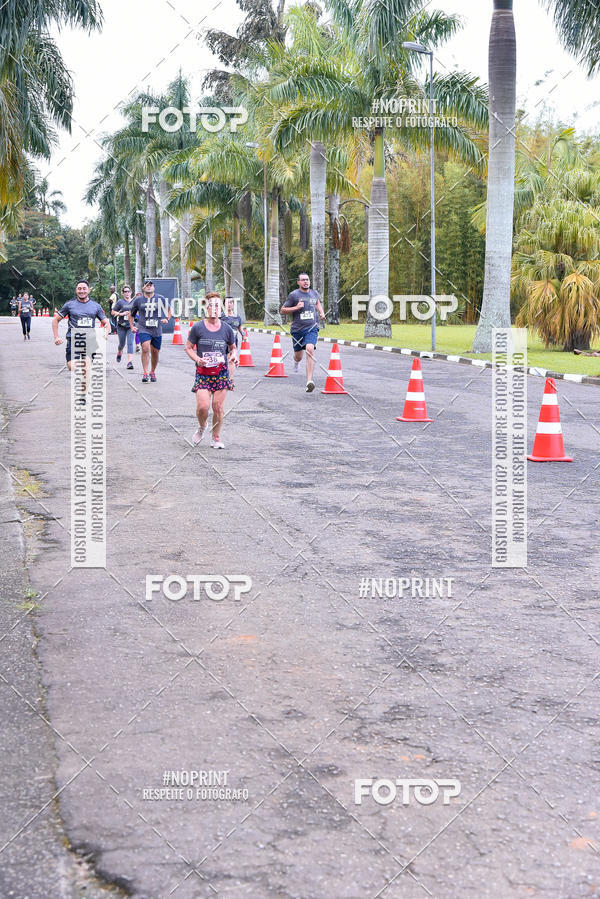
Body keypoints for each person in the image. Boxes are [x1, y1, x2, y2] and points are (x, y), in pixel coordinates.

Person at [186, 292, 236, 449]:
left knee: (218, 407)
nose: (214, 309)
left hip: (221, 373)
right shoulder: (198, 328)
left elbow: (233, 348)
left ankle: (216, 437)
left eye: (217, 305)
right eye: (211, 305)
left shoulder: (227, 329)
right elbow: (188, 348)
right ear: (206, 308)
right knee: (203, 407)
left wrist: (234, 356)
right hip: (203, 373)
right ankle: (202, 427)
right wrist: (197, 359)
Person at [52, 279, 110, 398]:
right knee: (71, 366)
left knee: (86, 367)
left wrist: (106, 332)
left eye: (84, 288)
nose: (82, 291)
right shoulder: (69, 305)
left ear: (88, 290)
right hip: (74, 340)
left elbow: (106, 322)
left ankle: (83, 395)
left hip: (90, 341)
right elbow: (55, 320)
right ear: (76, 290)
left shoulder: (96, 306)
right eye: (79, 289)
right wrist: (56, 337)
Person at [281, 273, 325, 393]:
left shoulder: (314, 293)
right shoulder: (294, 295)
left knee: (310, 349)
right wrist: (296, 307)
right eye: (303, 280)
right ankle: (296, 362)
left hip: (311, 328)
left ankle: (309, 381)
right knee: (298, 356)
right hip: (297, 330)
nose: (306, 282)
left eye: (307, 279)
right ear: (298, 282)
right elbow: (283, 310)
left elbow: (317, 302)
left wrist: (321, 313)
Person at [129, 279, 172, 382]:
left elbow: (169, 310)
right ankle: (145, 372)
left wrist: (167, 319)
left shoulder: (160, 298)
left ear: (154, 288)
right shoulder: (138, 300)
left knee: (155, 352)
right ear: (143, 288)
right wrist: (132, 327)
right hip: (143, 328)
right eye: (147, 285)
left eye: (151, 285)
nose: (149, 286)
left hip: (156, 329)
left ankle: (152, 371)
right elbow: (131, 315)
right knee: (145, 348)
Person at [219, 297, 244, 386]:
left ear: (233, 305)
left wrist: (243, 335)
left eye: (231, 303)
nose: (229, 304)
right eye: (227, 303)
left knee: (231, 360)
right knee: (220, 360)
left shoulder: (237, 317)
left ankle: (230, 380)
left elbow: (239, 327)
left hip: (232, 342)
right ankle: (220, 379)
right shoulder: (220, 316)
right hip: (221, 342)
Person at [112, 285, 135, 368]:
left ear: (131, 292)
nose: (127, 293)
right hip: (121, 325)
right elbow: (113, 312)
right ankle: (119, 351)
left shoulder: (134, 302)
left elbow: (139, 312)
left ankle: (130, 362)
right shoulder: (120, 302)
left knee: (130, 343)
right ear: (123, 293)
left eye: (128, 291)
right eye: (125, 291)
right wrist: (121, 314)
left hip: (131, 326)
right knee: (122, 344)